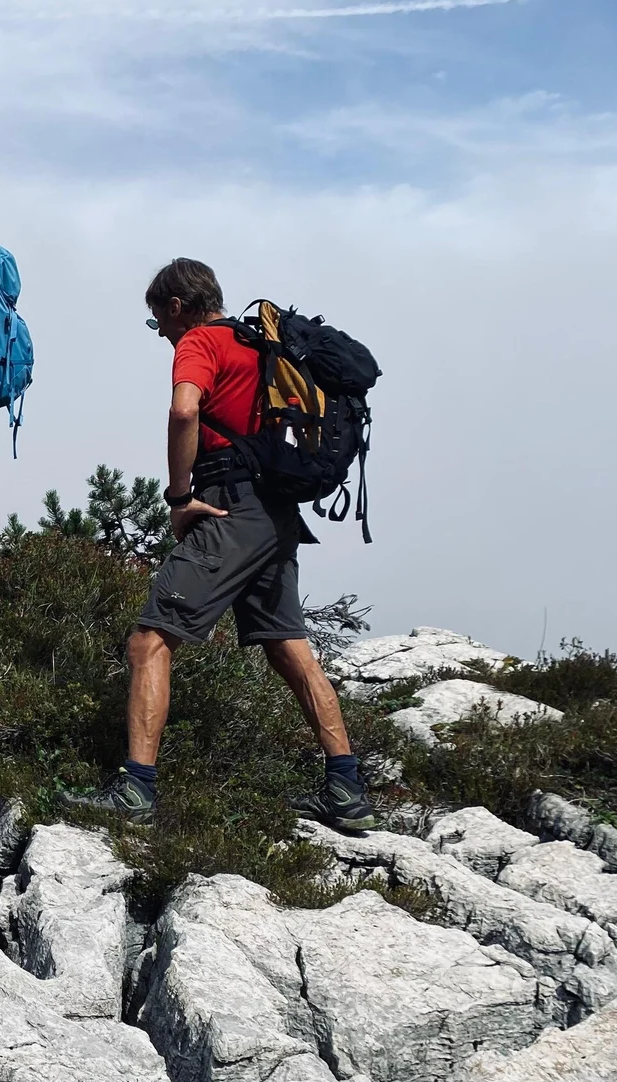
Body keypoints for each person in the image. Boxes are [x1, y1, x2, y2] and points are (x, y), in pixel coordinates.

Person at [68, 258, 378, 831]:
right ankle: (346, 786)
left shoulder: (200, 343)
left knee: (149, 640)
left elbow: (185, 410)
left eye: (158, 317)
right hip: (277, 513)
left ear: (177, 306)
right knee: (290, 648)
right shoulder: (259, 344)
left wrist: (179, 498)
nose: (159, 330)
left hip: (228, 506)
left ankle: (136, 790)